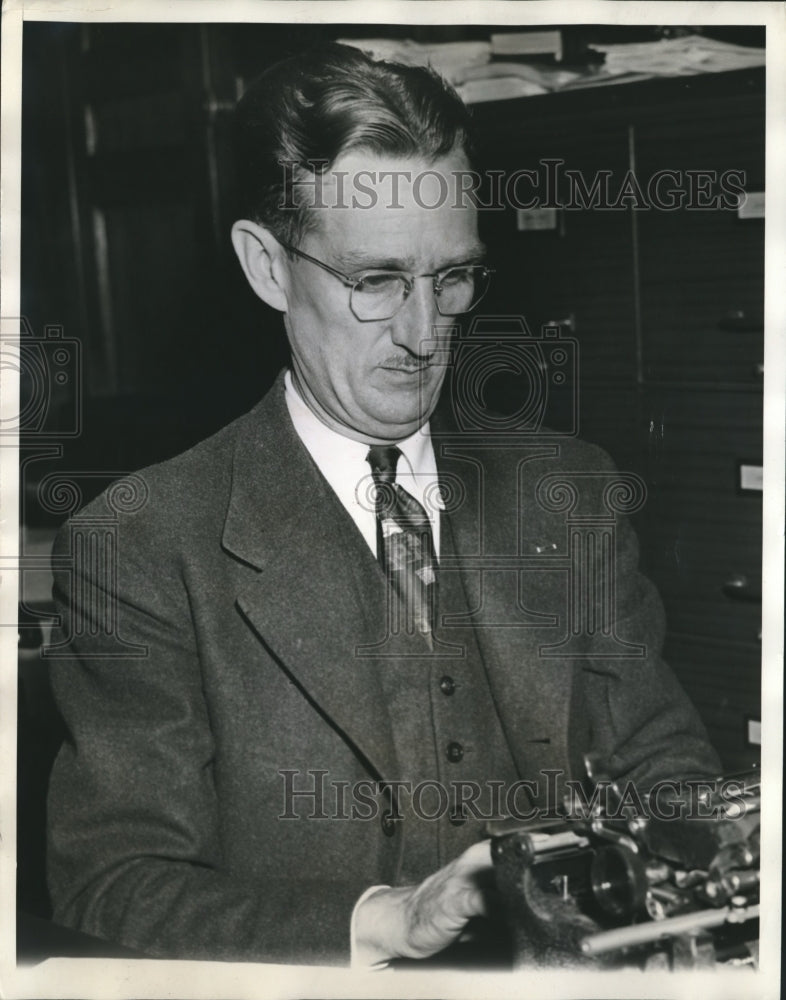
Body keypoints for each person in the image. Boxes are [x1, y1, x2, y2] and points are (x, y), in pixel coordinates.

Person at [46, 42, 720, 967]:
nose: (423, 333)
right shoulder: (143, 544)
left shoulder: (568, 494)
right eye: (376, 281)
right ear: (267, 267)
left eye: (452, 278)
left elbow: (667, 773)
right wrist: (383, 919)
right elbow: (113, 886)